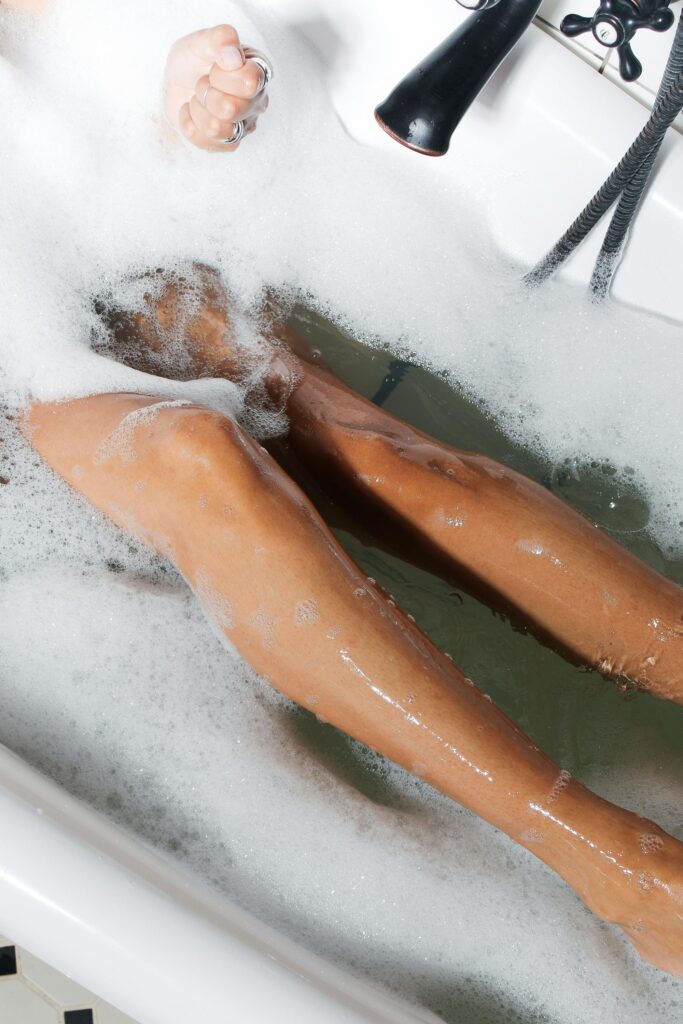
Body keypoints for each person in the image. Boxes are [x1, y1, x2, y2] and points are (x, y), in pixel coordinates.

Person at [3, 0, 683, 981]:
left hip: (84, 228)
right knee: (197, 451)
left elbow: (102, 88)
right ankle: (621, 866)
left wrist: (191, 118)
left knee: (378, 454)